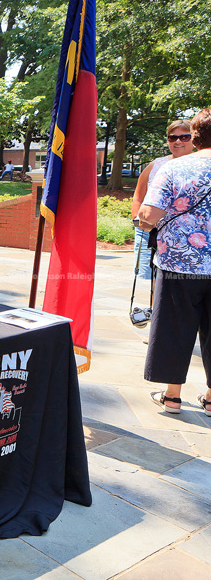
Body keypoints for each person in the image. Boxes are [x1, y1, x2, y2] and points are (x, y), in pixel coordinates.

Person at [137, 108, 211, 415]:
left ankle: (172, 397)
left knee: (173, 328)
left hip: (179, 265)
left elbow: (148, 215)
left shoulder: (175, 168)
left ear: (194, 136)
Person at [131, 120, 194, 279]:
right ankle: (155, 305)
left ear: (194, 138)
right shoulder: (156, 164)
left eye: (184, 137)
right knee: (154, 278)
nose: (178, 141)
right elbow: (139, 196)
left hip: (188, 237)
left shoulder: (202, 165)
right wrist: (138, 222)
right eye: (172, 138)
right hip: (151, 232)